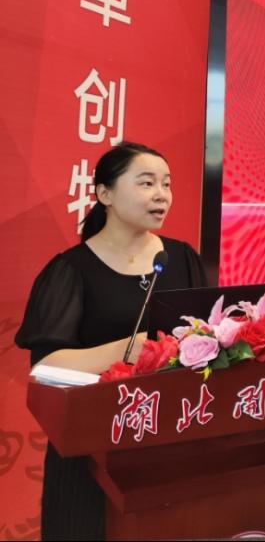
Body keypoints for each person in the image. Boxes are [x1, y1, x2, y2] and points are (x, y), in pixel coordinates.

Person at [15, 142, 207, 541]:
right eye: (147, 183)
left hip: (169, 443)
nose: (162, 195)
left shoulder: (182, 258)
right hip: (91, 450)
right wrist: (125, 350)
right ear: (105, 194)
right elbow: (45, 366)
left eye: (167, 184)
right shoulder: (71, 270)